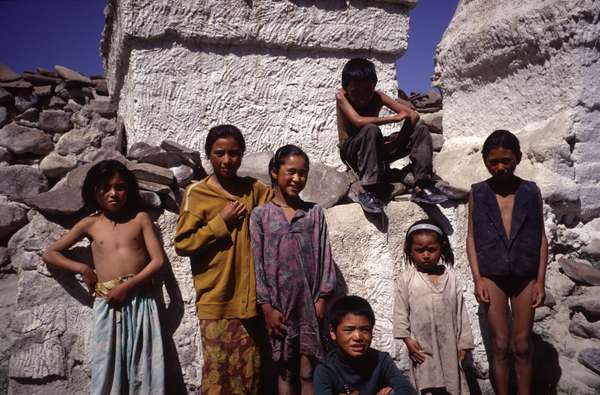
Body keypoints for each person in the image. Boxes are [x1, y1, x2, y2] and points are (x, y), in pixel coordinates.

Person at [42, 159, 166, 395]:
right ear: (94, 191)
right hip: (108, 303)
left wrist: (127, 286)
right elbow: (50, 253)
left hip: (141, 301)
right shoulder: (90, 224)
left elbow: (158, 261)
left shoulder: (140, 219)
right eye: (105, 188)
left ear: (128, 190)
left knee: (145, 365)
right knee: (108, 366)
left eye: (120, 187)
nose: (113, 194)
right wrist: (83, 269)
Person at [174, 124, 272, 394]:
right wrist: (221, 222)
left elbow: (277, 212)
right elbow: (183, 243)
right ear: (209, 155)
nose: (227, 160)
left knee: (249, 375)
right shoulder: (197, 193)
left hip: (249, 301)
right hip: (216, 297)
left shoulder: (254, 190)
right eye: (220, 153)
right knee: (218, 377)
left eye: (234, 153)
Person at [466, 130, 548, 395]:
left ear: (519, 159)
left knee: (522, 345)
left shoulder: (530, 191)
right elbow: (471, 238)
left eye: (506, 161)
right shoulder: (478, 193)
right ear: (485, 162)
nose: (500, 167)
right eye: (493, 162)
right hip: (492, 274)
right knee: (500, 345)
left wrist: (540, 281)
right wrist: (478, 278)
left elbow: (541, 238)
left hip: (525, 275)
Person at [250, 145, 336, 394]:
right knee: (285, 369)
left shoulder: (314, 213)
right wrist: (267, 307)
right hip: (279, 307)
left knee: (308, 369)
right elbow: (257, 263)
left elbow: (325, 256)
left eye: (303, 173)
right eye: (291, 172)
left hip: (309, 305)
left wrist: (322, 298)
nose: (297, 179)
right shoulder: (261, 216)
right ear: (275, 172)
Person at [335, 58, 447, 213]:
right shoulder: (342, 96)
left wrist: (399, 139)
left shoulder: (378, 96)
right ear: (346, 88)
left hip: (376, 149)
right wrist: (394, 118)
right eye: (356, 92)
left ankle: (422, 184)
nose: (362, 96)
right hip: (352, 152)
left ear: (373, 86)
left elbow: (412, 115)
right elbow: (359, 121)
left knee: (420, 129)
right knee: (370, 129)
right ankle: (370, 189)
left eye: (367, 91)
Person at [394, 219, 474, 394]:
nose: (426, 255)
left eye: (431, 249)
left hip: (449, 344)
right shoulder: (407, 279)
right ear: (410, 250)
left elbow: (461, 312)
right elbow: (401, 312)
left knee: (452, 382)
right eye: (419, 250)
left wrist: (464, 343)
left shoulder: (451, 278)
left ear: (442, 248)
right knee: (427, 382)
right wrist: (408, 340)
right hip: (422, 346)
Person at [314, 295, 416, 395]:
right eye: (349, 330)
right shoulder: (325, 370)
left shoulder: (381, 361)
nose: (358, 337)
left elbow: (408, 391)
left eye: (365, 330)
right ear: (333, 332)